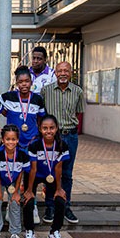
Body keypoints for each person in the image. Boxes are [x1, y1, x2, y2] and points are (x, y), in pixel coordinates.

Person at [0, 66, 46, 224]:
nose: (24, 84)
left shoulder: (37, 99)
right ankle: (11, 206)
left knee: (29, 176)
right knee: (11, 175)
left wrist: (37, 138)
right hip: (13, 144)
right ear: (16, 83)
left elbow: (40, 120)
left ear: (31, 82)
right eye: (20, 82)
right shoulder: (9, 97)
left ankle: (31, 206)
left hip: (31, 142)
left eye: (27, 81)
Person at [41, 61, 85, 224]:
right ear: (55, 73)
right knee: (51, 171)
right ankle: (50, 207)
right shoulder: (46, 91)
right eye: (60, 71)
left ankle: (66, 206)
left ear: (71, 72)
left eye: (66, 70)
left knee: (67, 172)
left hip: (70, 136)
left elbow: (79, 113)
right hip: (52, 137)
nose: (63, 73)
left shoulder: (78, 92)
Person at [23, 115, 70, 238]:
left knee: (60, 199)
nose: (48, 131)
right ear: (40, 129)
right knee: (28, 200)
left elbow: (58, 168)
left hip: (52, 175)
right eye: (45, 128)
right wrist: (29, 190)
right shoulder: (35, 144)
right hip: (35, 174)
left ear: (56, 129)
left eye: (51, 128)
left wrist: (59, 189)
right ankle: (29, 231)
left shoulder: (62, 145)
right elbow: (33, 168)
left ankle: (54, 232)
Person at [0, 124, 30, 238]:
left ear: (17, 140)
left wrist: (16, 192)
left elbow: (21, 172)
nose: (10, 142)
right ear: (3, 139)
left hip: (13, 181)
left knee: (15, 202)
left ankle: (15, 233)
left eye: (13, 139)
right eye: (8, 139)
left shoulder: (22, 154)